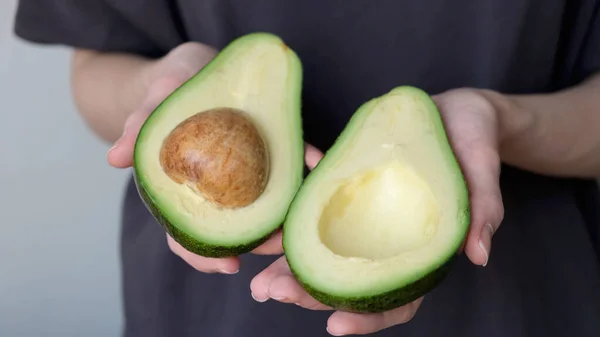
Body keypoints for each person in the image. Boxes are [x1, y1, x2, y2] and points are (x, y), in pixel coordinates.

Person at [13, 1, 600, 336]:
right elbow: (93, 65)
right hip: (207, 313)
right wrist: (161, 90)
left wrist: (502, 120)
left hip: (521, 304)